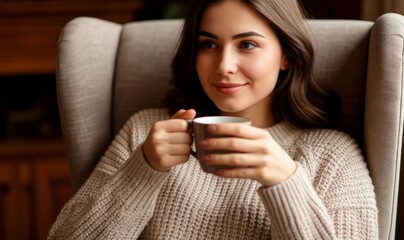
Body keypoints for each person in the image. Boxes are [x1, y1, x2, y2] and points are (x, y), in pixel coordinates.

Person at [48, 0, 378, 239]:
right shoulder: (146, 132)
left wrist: (285, 182)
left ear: (287, 57)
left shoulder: (332, 155)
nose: (223, 66)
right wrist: (142, 170)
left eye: (247, 44)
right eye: (209, 44)